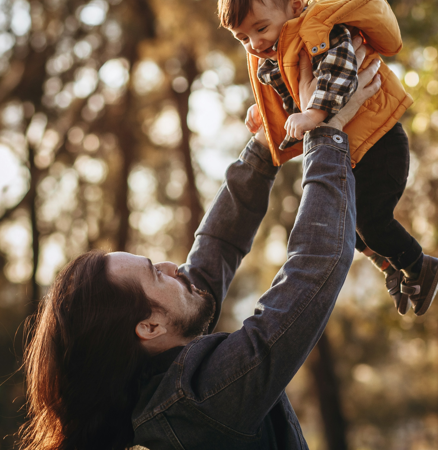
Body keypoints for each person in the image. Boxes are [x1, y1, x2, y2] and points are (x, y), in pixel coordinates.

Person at [19, 51, 381, 449]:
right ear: (149, 326)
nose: (174, 267)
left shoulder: (163, 382)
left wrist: (265, 145)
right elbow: (315, 267)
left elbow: (217, 248)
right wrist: (327, 132)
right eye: (155, 273)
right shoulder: (201, 400)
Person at [218, 0, 438, 316]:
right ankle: (390, 267)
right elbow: (295, 94)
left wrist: (315, 113)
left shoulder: (319, 28)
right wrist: (267, 111)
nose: (254, 44)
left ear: (294, 6)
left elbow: (340, 71)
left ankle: (419, 266)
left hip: (381, 144)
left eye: (260, 29)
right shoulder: (276, 54)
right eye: (242, 37)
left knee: (372, 221)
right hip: (355, 149)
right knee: (345, 224)